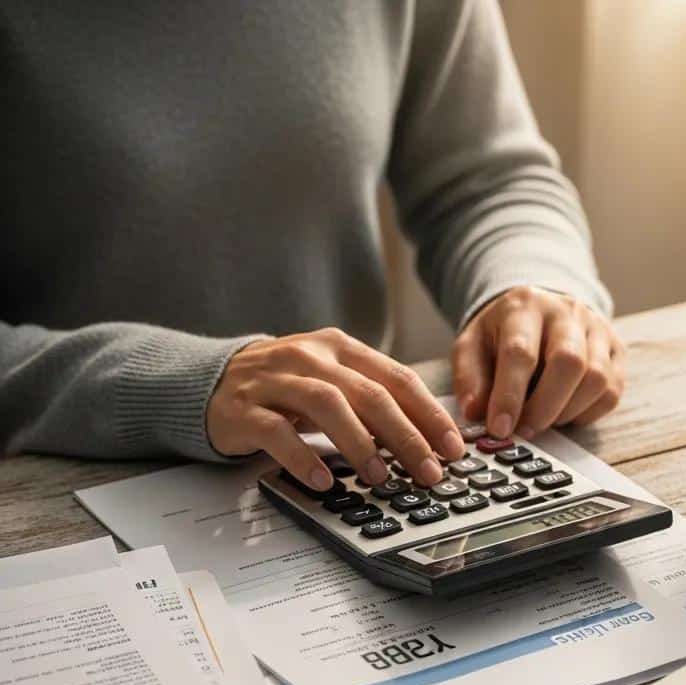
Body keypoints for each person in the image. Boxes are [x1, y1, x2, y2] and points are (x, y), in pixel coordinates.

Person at [1, 1, 623, 491]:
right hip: (55, 500)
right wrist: (186, 382)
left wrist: (534, 283)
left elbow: (486, 179)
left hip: (358, 473)